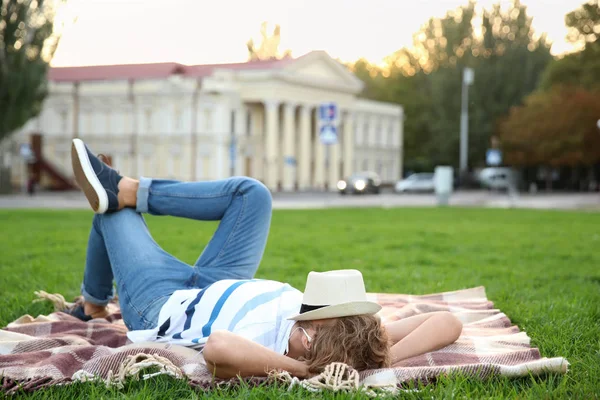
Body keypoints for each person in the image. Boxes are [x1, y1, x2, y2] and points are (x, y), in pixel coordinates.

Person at [68, 138, 463, 379]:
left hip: (162, 303)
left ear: (310, 348)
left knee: (111, 216)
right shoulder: (353, 339)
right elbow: (447, 322)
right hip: (220, 279)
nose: (300, 316)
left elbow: (218, 350)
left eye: (305, 328)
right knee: (253, 194)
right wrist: (383, 362)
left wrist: (303, 371)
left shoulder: (269, 350)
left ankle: (93, 301)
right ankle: (128, 189)